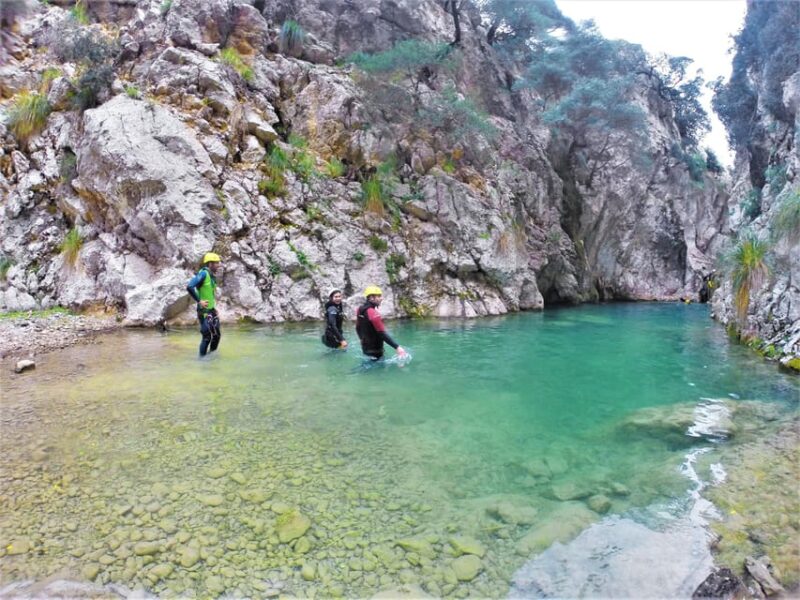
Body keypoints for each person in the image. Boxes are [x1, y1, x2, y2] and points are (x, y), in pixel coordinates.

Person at [355, 285, 407, 360]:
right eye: (378, 296)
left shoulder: (359, 309)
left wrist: (361, 339)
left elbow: (357, 327)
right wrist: (397, 347)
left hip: (365, 347)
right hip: (376, 350)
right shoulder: (373, 313)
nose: (381, 298)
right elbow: (382, 333)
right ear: (371, 298)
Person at [186, 252, 222, 357]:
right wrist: (199, 301)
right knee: (207, 337)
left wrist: (213, 308)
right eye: (216, 263)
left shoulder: (212, 276)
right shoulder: (203, 274)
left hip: (211, 311)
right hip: (203, 312)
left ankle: (212, 355)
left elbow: (209, 294)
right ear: (210, 264)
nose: (218, 265)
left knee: (217, 336)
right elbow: (190, 286)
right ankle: (201, 360)